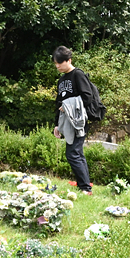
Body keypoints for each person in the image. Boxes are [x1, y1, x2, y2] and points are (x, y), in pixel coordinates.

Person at [52, 46, 93, 193]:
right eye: (55, 63)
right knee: (77, 153)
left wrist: (69, 105)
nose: (57, 66)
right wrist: (57, 125)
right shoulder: (61, 80)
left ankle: (85, 188)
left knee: (73, 153)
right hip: (66, 122)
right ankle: (85, 185)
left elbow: (87, 97)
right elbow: (58, 104)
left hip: (78, 121)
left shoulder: (78, 75)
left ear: (68, 60)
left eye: (60, 63)